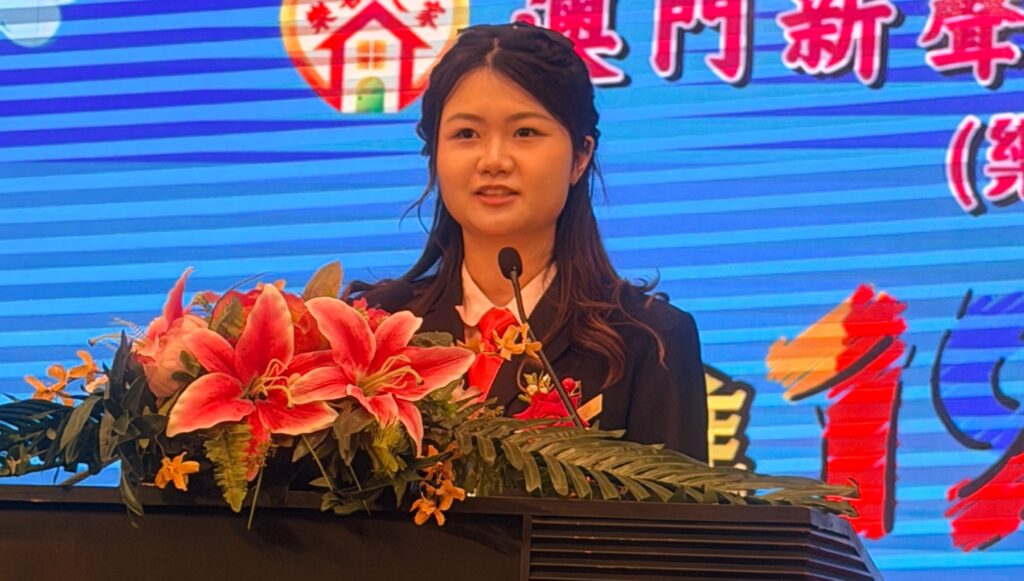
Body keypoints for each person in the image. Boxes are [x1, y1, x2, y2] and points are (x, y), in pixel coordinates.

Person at [355, 22, 708, 462]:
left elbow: (676, 505)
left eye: (525, 132)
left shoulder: (649, 341)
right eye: (466, 134)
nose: (493, 161)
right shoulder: (377, 329)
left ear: (580, 156)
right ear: (435, 155)